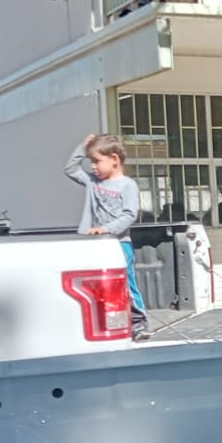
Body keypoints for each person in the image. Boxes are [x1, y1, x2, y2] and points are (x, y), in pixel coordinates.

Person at [66, 134, 151, 342]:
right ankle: (105, 320)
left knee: (125, 283)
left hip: (119, 244)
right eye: (91, 162)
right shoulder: (92, 182)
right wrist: (84, 146)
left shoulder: (128, 185)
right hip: (94, 244)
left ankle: (138, 322)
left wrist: (105, 229)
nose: (93, 166)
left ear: (114, 159)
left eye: (97, 161)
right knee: (97, 285)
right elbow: (71, 169)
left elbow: (129, 215)